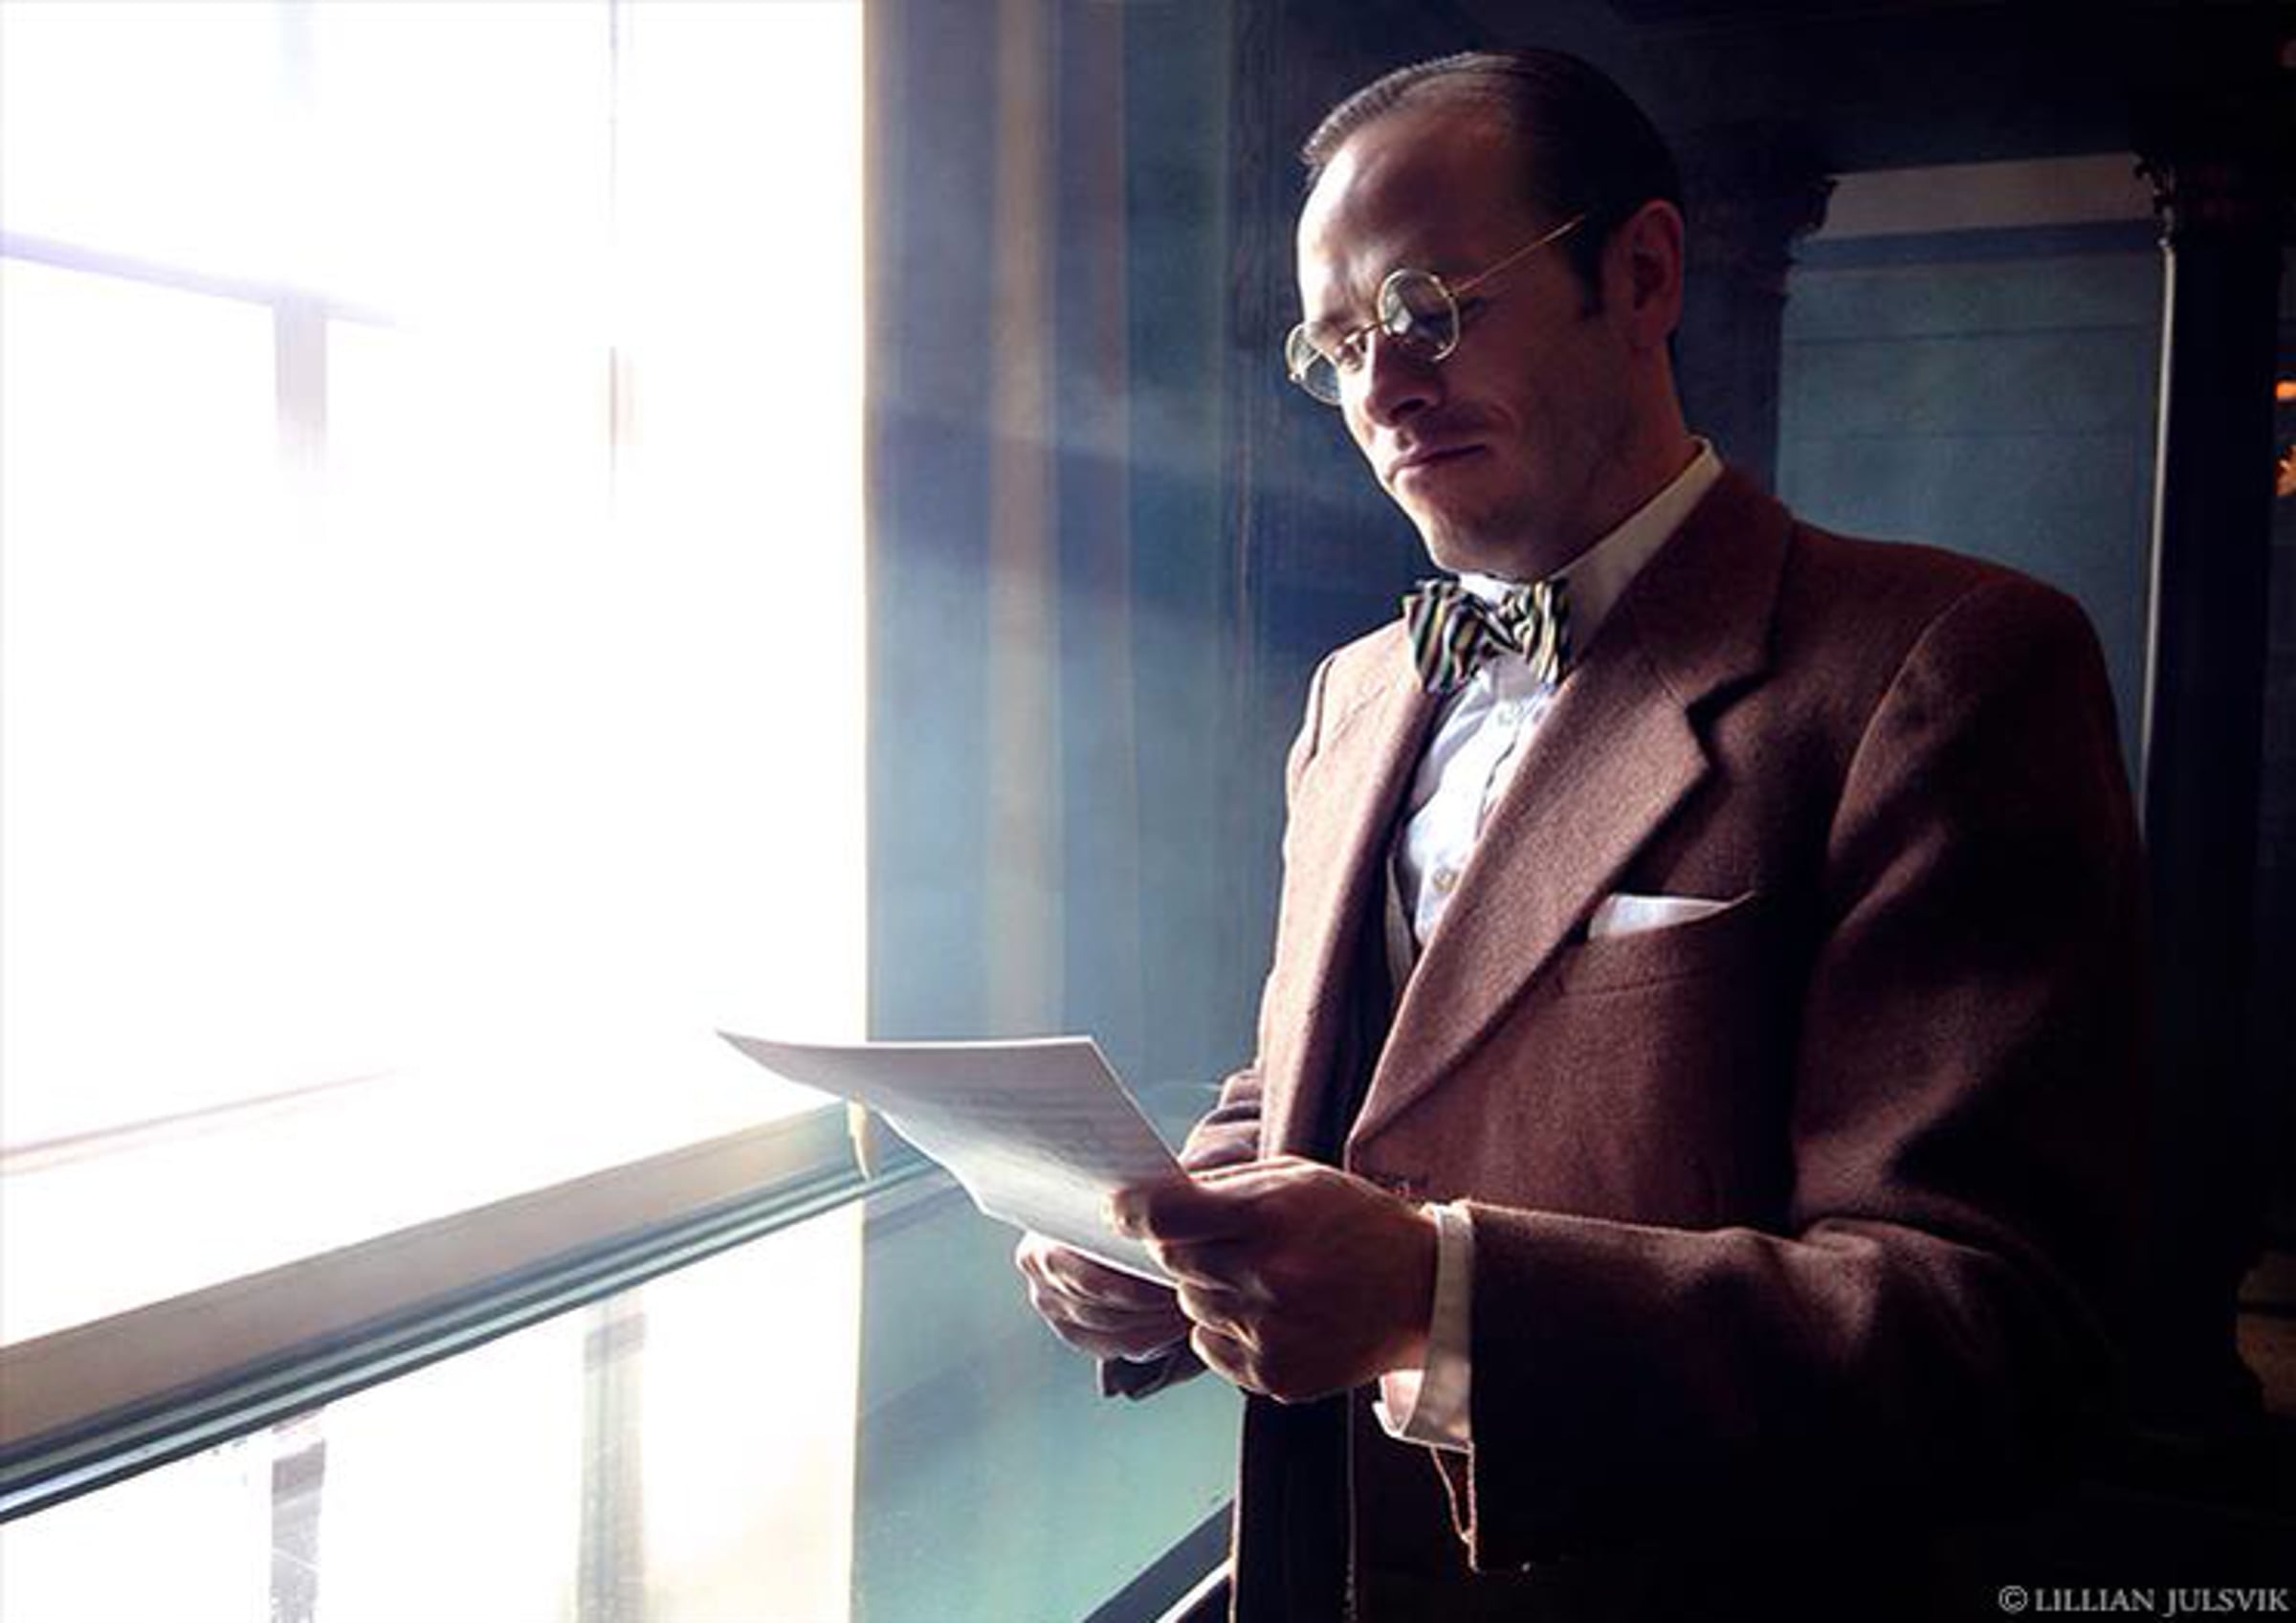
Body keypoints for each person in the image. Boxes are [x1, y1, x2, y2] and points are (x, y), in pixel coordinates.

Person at [1015, 47, 2145, 1622]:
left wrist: (1438, 1297)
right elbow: (1333, 1086)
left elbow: (1992, 1332)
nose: (1381, 389)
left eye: (1426, 309)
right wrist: (1174, 1237)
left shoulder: (1945, 663)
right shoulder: (1353, 693)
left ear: (1643, 274)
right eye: (1337, 344)